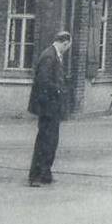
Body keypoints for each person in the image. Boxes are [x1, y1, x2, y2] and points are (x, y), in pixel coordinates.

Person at [27, 31, 72, 187]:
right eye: (67, 46)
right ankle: (36, 176)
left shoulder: (53, 55)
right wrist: (59, 90)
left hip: (52, 107)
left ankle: (45, 173)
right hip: (47, 107)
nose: (67, 50)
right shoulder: (49, 56)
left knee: (50, 141)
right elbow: (43, 82)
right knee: (45, 141)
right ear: (65, 43)